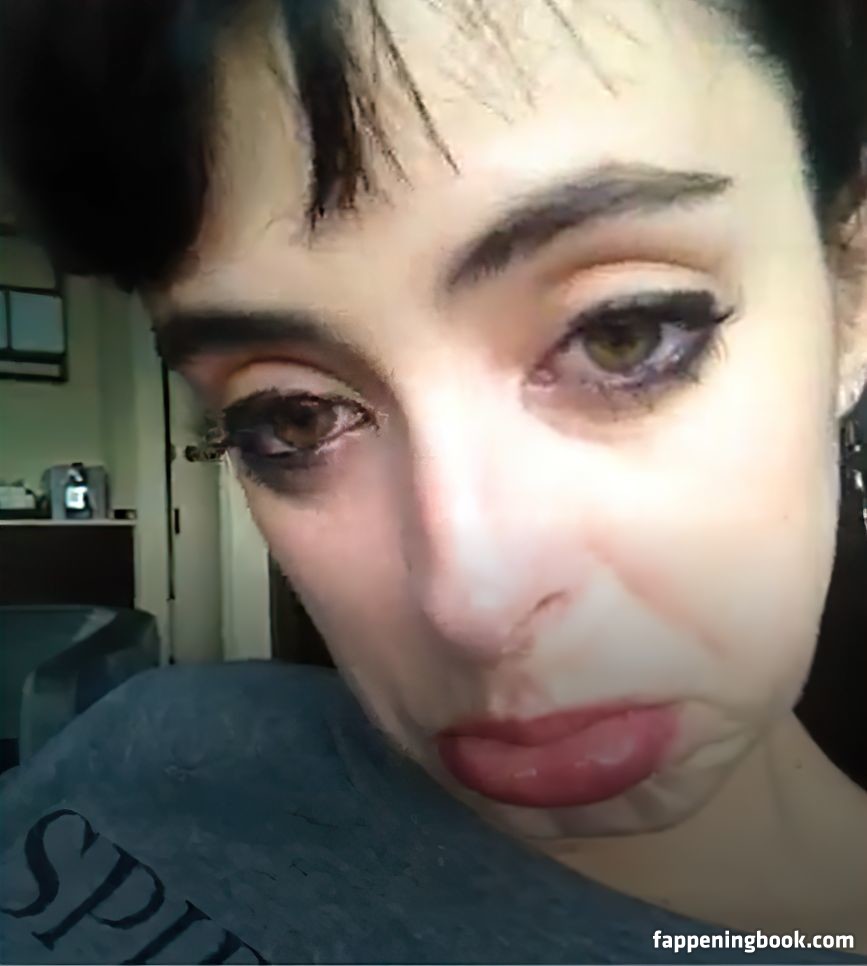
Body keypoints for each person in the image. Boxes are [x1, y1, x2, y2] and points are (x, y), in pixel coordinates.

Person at [0, 0, 866, 962]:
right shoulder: (146, 744)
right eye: (294, 416)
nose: (468, 605)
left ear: (850, 293)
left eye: (621, 336)